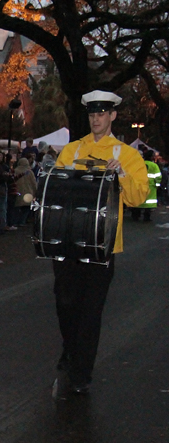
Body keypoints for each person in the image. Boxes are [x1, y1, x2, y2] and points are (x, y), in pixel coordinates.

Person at [52, 90, 148, 394]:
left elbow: (138, 197)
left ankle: (81, 372)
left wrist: (122, 175)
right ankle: (71, 350)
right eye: (92, 114)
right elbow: (55, 189)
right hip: (68, 242)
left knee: (91, 312)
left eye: (102, 114)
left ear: (112, 116)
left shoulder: (127, 155)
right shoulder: (72, 150)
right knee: (65, 305)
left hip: (101, 246)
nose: (96, 119)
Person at [130, 149, 160, 222]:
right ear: (151, 157)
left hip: (139, 185)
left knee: (138, 200)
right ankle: (146, 218)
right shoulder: (154, 165)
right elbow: (158, 177)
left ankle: (136, 216)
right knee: (148, 204)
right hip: (151, 187)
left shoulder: (139, 164)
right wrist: (157, 185)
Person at [13, 157, 37, 226]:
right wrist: (35, 192)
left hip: (17, 191)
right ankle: (22, 221)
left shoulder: (15, 171)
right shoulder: (29, 172)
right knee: (26, 208)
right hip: (28, 192)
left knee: (17, 208)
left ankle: (15, 221)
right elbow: (34, 183)